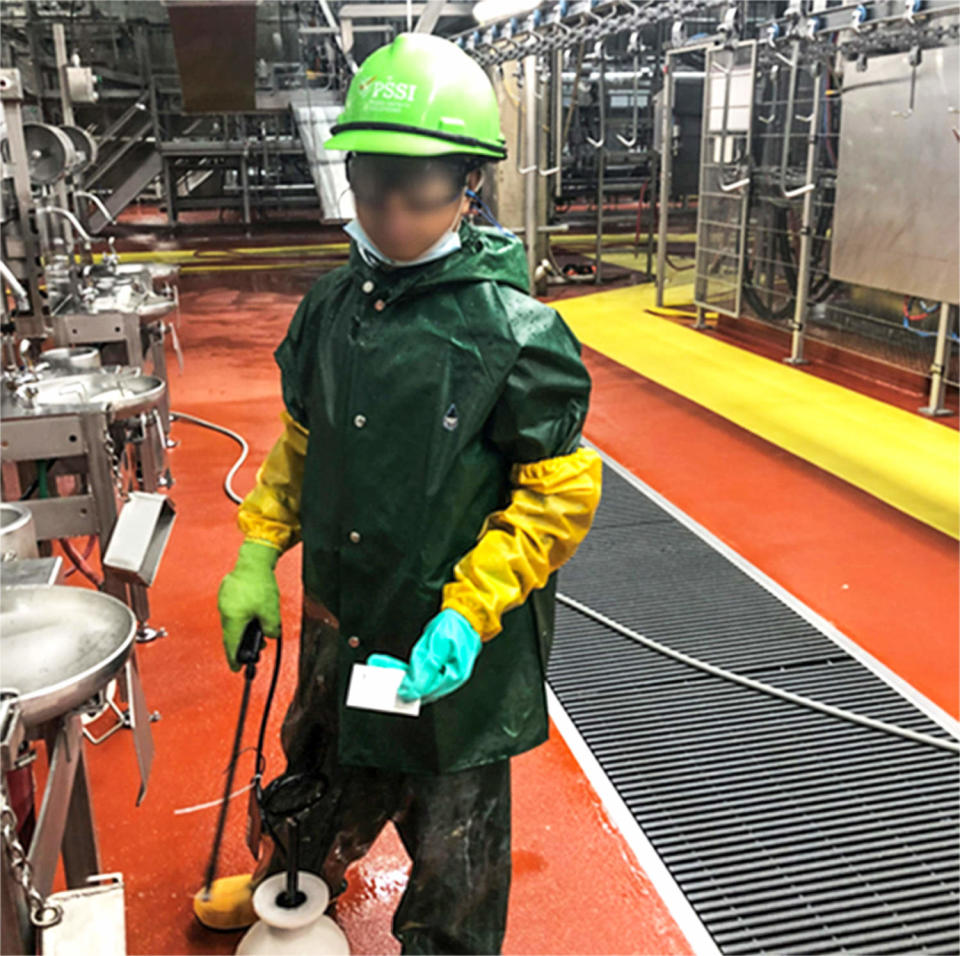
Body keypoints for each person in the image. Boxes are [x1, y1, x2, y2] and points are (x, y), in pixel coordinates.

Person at [194, 31, 602, 955]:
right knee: (322, 762)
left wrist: (468, 611)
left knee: (454, 838)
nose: (388, 216)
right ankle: (288, 885)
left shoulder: (517, 332)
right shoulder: (333, 308)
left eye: (415, 194)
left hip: (452, 638)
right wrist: (258, 554)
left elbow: (557, 493)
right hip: (347, 614)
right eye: (370, 186)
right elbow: (303, 445)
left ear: (466, 186)